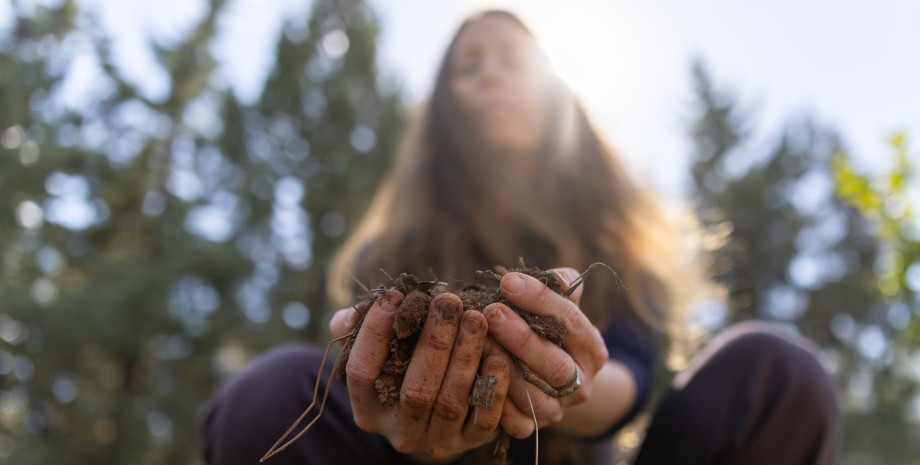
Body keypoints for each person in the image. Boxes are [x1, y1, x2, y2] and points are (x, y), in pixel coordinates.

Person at [200, 10, 840, 465]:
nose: (492, 75)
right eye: (469, 65)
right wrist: (409, 416)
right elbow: (371, 388)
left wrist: (560, 386)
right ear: (446, 107)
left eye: (515, 59)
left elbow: (629, 380)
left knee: (776, 374)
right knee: (268, 395)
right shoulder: (393, 252)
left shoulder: (616, 243)